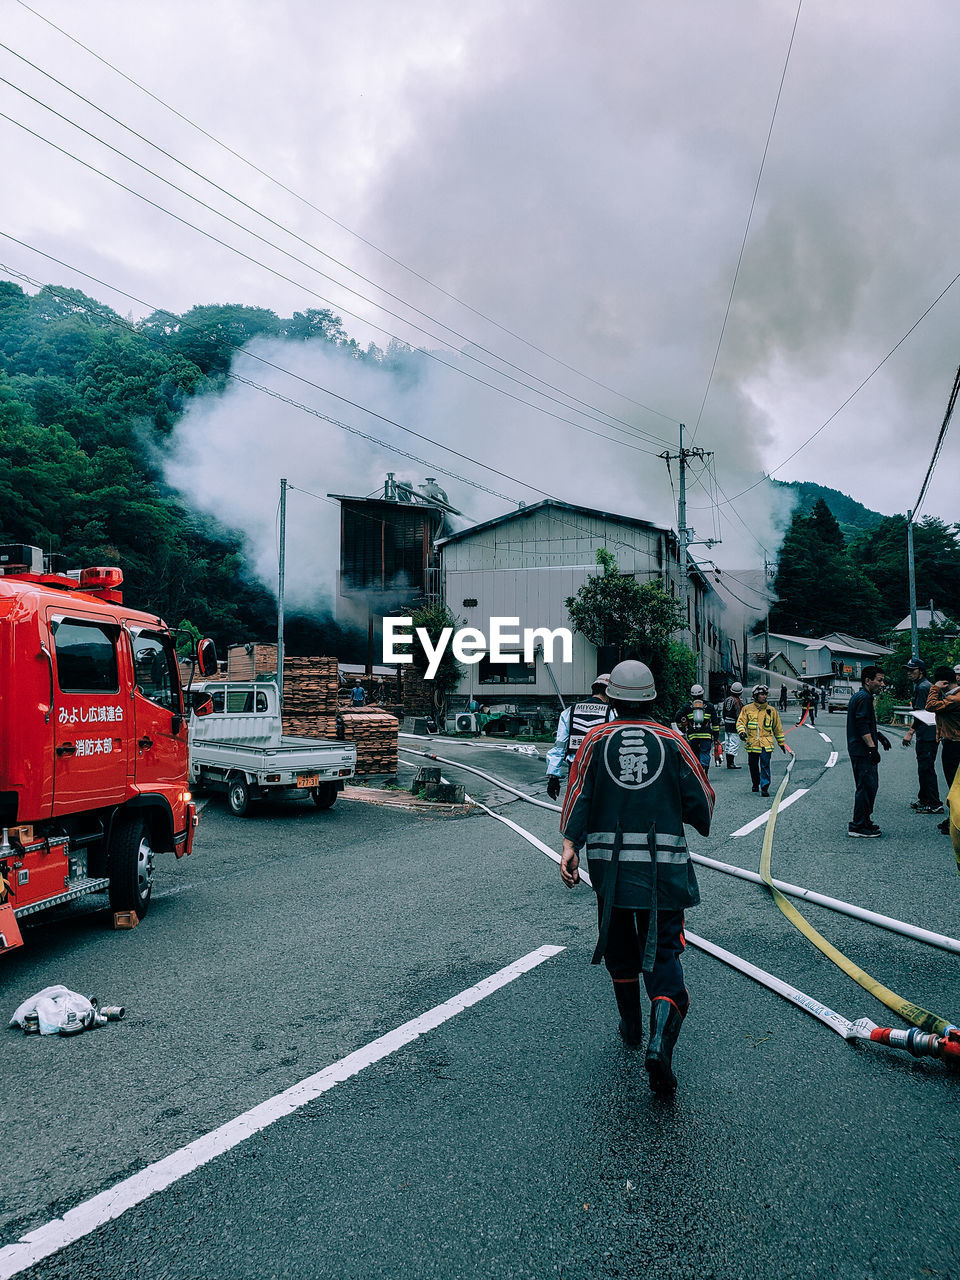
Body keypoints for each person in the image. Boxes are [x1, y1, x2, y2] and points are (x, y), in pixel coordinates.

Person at [559, 660, 714, 1092]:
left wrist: (571, 845)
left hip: (609, 869)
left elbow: (578, 792)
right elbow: (701, 796)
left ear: (611, 698)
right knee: (663, 953)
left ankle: (630, 1030)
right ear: (651, 699)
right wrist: (693, 817)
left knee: (618, 944)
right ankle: (658, 1046)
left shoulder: (594, 739)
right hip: (662, 869)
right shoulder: (673, 740)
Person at [545, 675, 614, 799]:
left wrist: (553, 776)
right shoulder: (611, 713)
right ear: (609, 693)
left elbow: (560, 745)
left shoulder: (570, 711)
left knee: (576, 805)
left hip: (575, 767)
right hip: (600, 768)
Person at [845, 665, 891, 837]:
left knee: (869, 786)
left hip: (859, 749)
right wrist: (872, 748)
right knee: (866, 786)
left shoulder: (861, 696)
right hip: (862, 750)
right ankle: (858, 825)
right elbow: (862, 725)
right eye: (879, 680)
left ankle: (864, 820)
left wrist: (878, 735)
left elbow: (864, 724)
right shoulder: (864, 698)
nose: (882, 683)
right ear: (868, 681)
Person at [901, 657, 941, 815]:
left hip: (928, 733)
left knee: (926, 768)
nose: (909, 673)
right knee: (923, 768)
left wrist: (910, 732)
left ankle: (934, 803)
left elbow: (921, 713)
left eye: (913, 670)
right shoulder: (922, 685)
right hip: (928, 732)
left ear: (921, 672)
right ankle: (924, 799)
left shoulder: (924, 687)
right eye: (908, 670)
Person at [926, 666, 960, 836]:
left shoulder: (955, 699)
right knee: (955, 785)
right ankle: (953, 818)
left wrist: (934, 689)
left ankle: (955, 821)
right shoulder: (952, 696)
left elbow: (930, 706)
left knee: (954, 785)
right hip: (952, 743)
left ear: (944, 683)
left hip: (954, 745)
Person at [736, 684, 787, 797]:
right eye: (761, 694)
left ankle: (764, 787)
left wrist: (781, 743)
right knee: (753, 765)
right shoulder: (747, 709)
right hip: (752, 743)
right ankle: (755, 783)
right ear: (755, 696)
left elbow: (777, 728)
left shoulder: (771, 711)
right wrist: (741, 732)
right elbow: (740, 722)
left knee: (765, 765)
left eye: (765, 694)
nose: (764, 697)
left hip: (766, 744)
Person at [674, 684, 721, 772]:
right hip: (706, 735)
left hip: (693, 735)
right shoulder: (709, 706)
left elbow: (677, 717)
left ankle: (698, 772)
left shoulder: (687, 706)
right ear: (702, 694)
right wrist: (716, 735)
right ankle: (704, 771)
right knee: (705, 752)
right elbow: (715, 723)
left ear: (691, 695)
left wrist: (682, 729)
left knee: (695, 754)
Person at [720, 682, 744, 769]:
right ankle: (731, 763)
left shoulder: (727, 699)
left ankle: (729, 762)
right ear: (740, 692)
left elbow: (723, 712)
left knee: (728, 743)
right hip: (734, 724)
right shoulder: (737, 701)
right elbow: (739, 715)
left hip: (727, 724)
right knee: (734, 743)